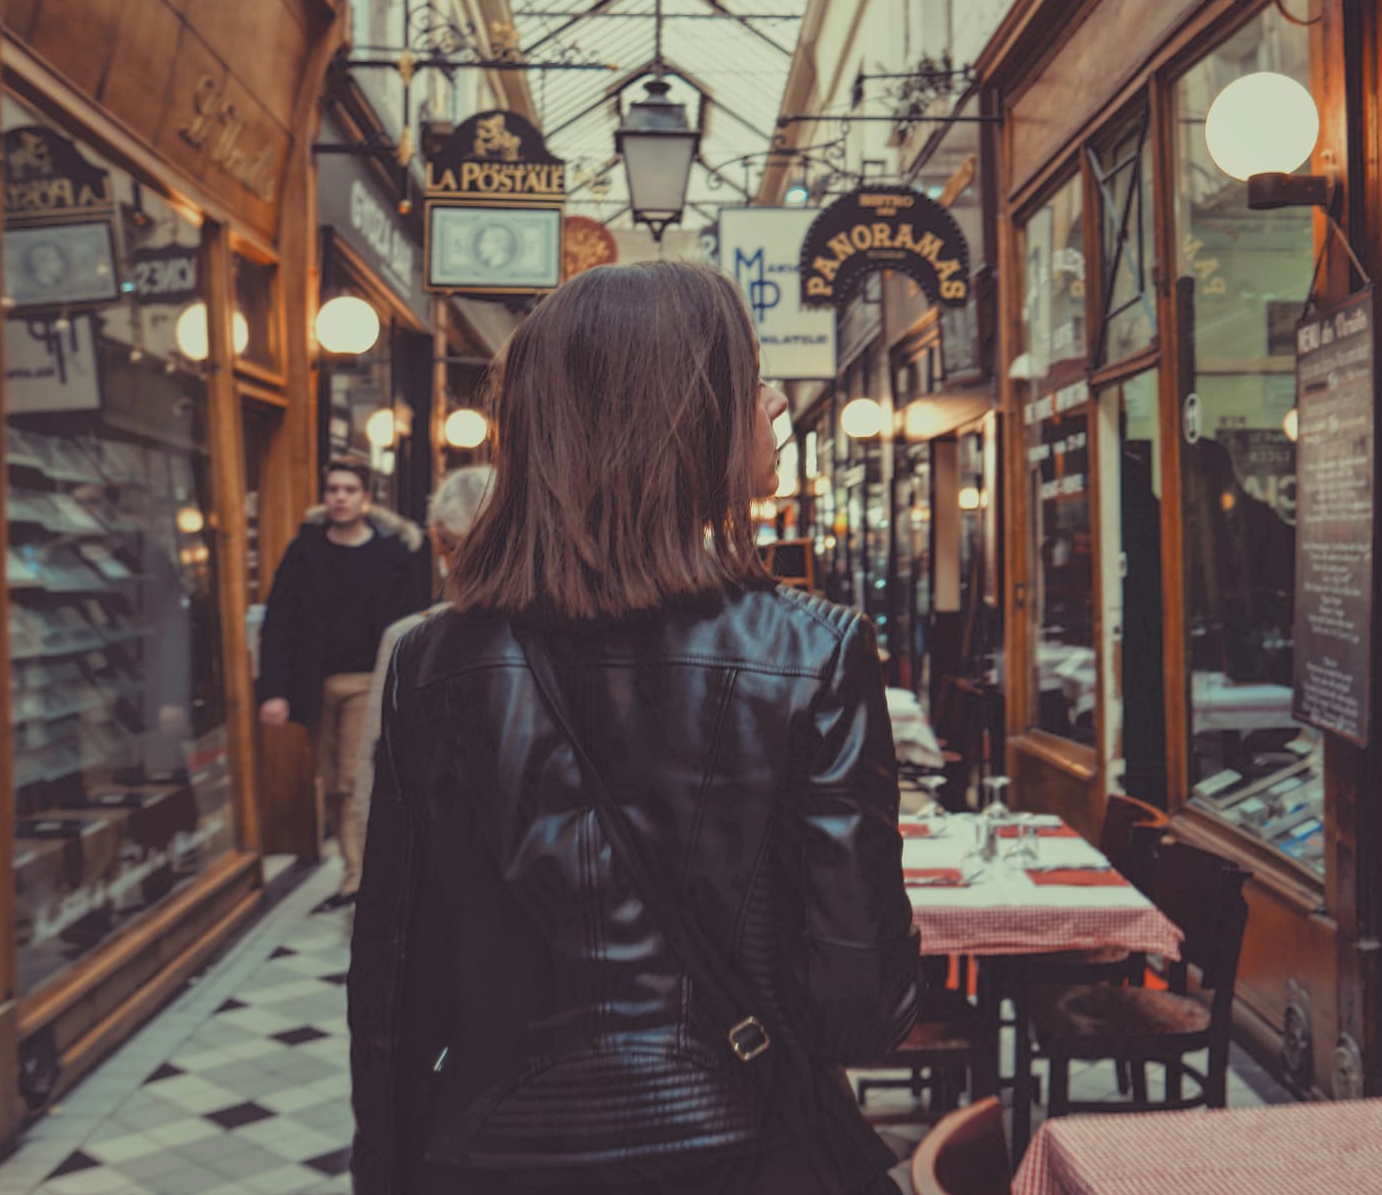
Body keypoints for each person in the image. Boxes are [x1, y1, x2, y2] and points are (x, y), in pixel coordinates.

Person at [350, 261, 919, 1195]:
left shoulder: (431, 662)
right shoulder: (813, 652)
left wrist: (385, 1173)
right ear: (681, 420)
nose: (774, 402)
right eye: (749, 378)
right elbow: (861, 1008)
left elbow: (394, 989)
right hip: (743, 1154)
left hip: (490, 1155)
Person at [257, 459, 430, 911]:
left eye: (349, 489)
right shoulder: (304, 552)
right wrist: (273, 690)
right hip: (316, 685)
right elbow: (279, 623)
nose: (340, 497)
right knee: (332, 782)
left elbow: (415, 623)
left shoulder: (392, 555)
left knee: (355, 777)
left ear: (365, 499)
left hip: (367, 682)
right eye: (333, 488)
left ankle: (358, 879)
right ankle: (355, 869)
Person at [351, 464, 497, 862]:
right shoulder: (563, 633)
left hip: (439, 875)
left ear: (436, 540)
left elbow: (376, 778)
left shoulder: (408, 640)